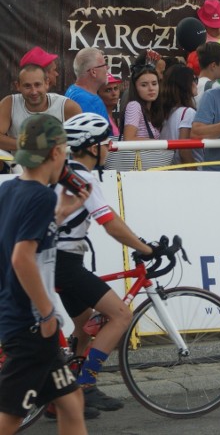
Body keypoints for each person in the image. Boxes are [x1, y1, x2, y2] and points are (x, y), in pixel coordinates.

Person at [53, 113, 157, 414]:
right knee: (121, 316)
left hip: (59, 260)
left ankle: (63, 394)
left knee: (84, 327)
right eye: (105, 143)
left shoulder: (66, 172)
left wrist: (139, 242)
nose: (110, 148)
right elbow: (109, 223)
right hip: (64, 262)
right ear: (90, 146)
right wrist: (145, 248)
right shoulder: (81, 176)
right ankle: (82, 387)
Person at [0, 114, 89, 434]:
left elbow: (21, 240)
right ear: (56, 153)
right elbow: (22, 257)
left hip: (25, 321)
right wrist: (48, 313)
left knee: (71, 401)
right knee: (9, 418)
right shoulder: (39, 196)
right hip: (32, 326)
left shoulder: (11, 191)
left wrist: (61, 213)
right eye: (65, 149)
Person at [0, 65, 81, 152]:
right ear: (18, 86)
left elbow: (84, 142)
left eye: (37, 85)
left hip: (60, 165)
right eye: (27, 86)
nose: (33, 92)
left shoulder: (67, 106)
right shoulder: (9, 103)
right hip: (19, 165)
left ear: (47, 83)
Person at [160, 65, 200, 166]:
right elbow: (184, 150)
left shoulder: (166, 112)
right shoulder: (188, 112)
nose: (196, 83)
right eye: (194, 79)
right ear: (186, 84)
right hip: (186, 173)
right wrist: (194, 171)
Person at [65, 48, 111, 123]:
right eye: (104, 65)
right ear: (93, 72)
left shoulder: (74, 91)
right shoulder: (86, 100)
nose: (107, 68)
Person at [121, 62, 164, 141]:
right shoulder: (134, 106)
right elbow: (128, 139)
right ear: (135, 88)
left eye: (154, 84)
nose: (151, 88)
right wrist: (158, 144)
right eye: (144, 85)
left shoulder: (151, 109)